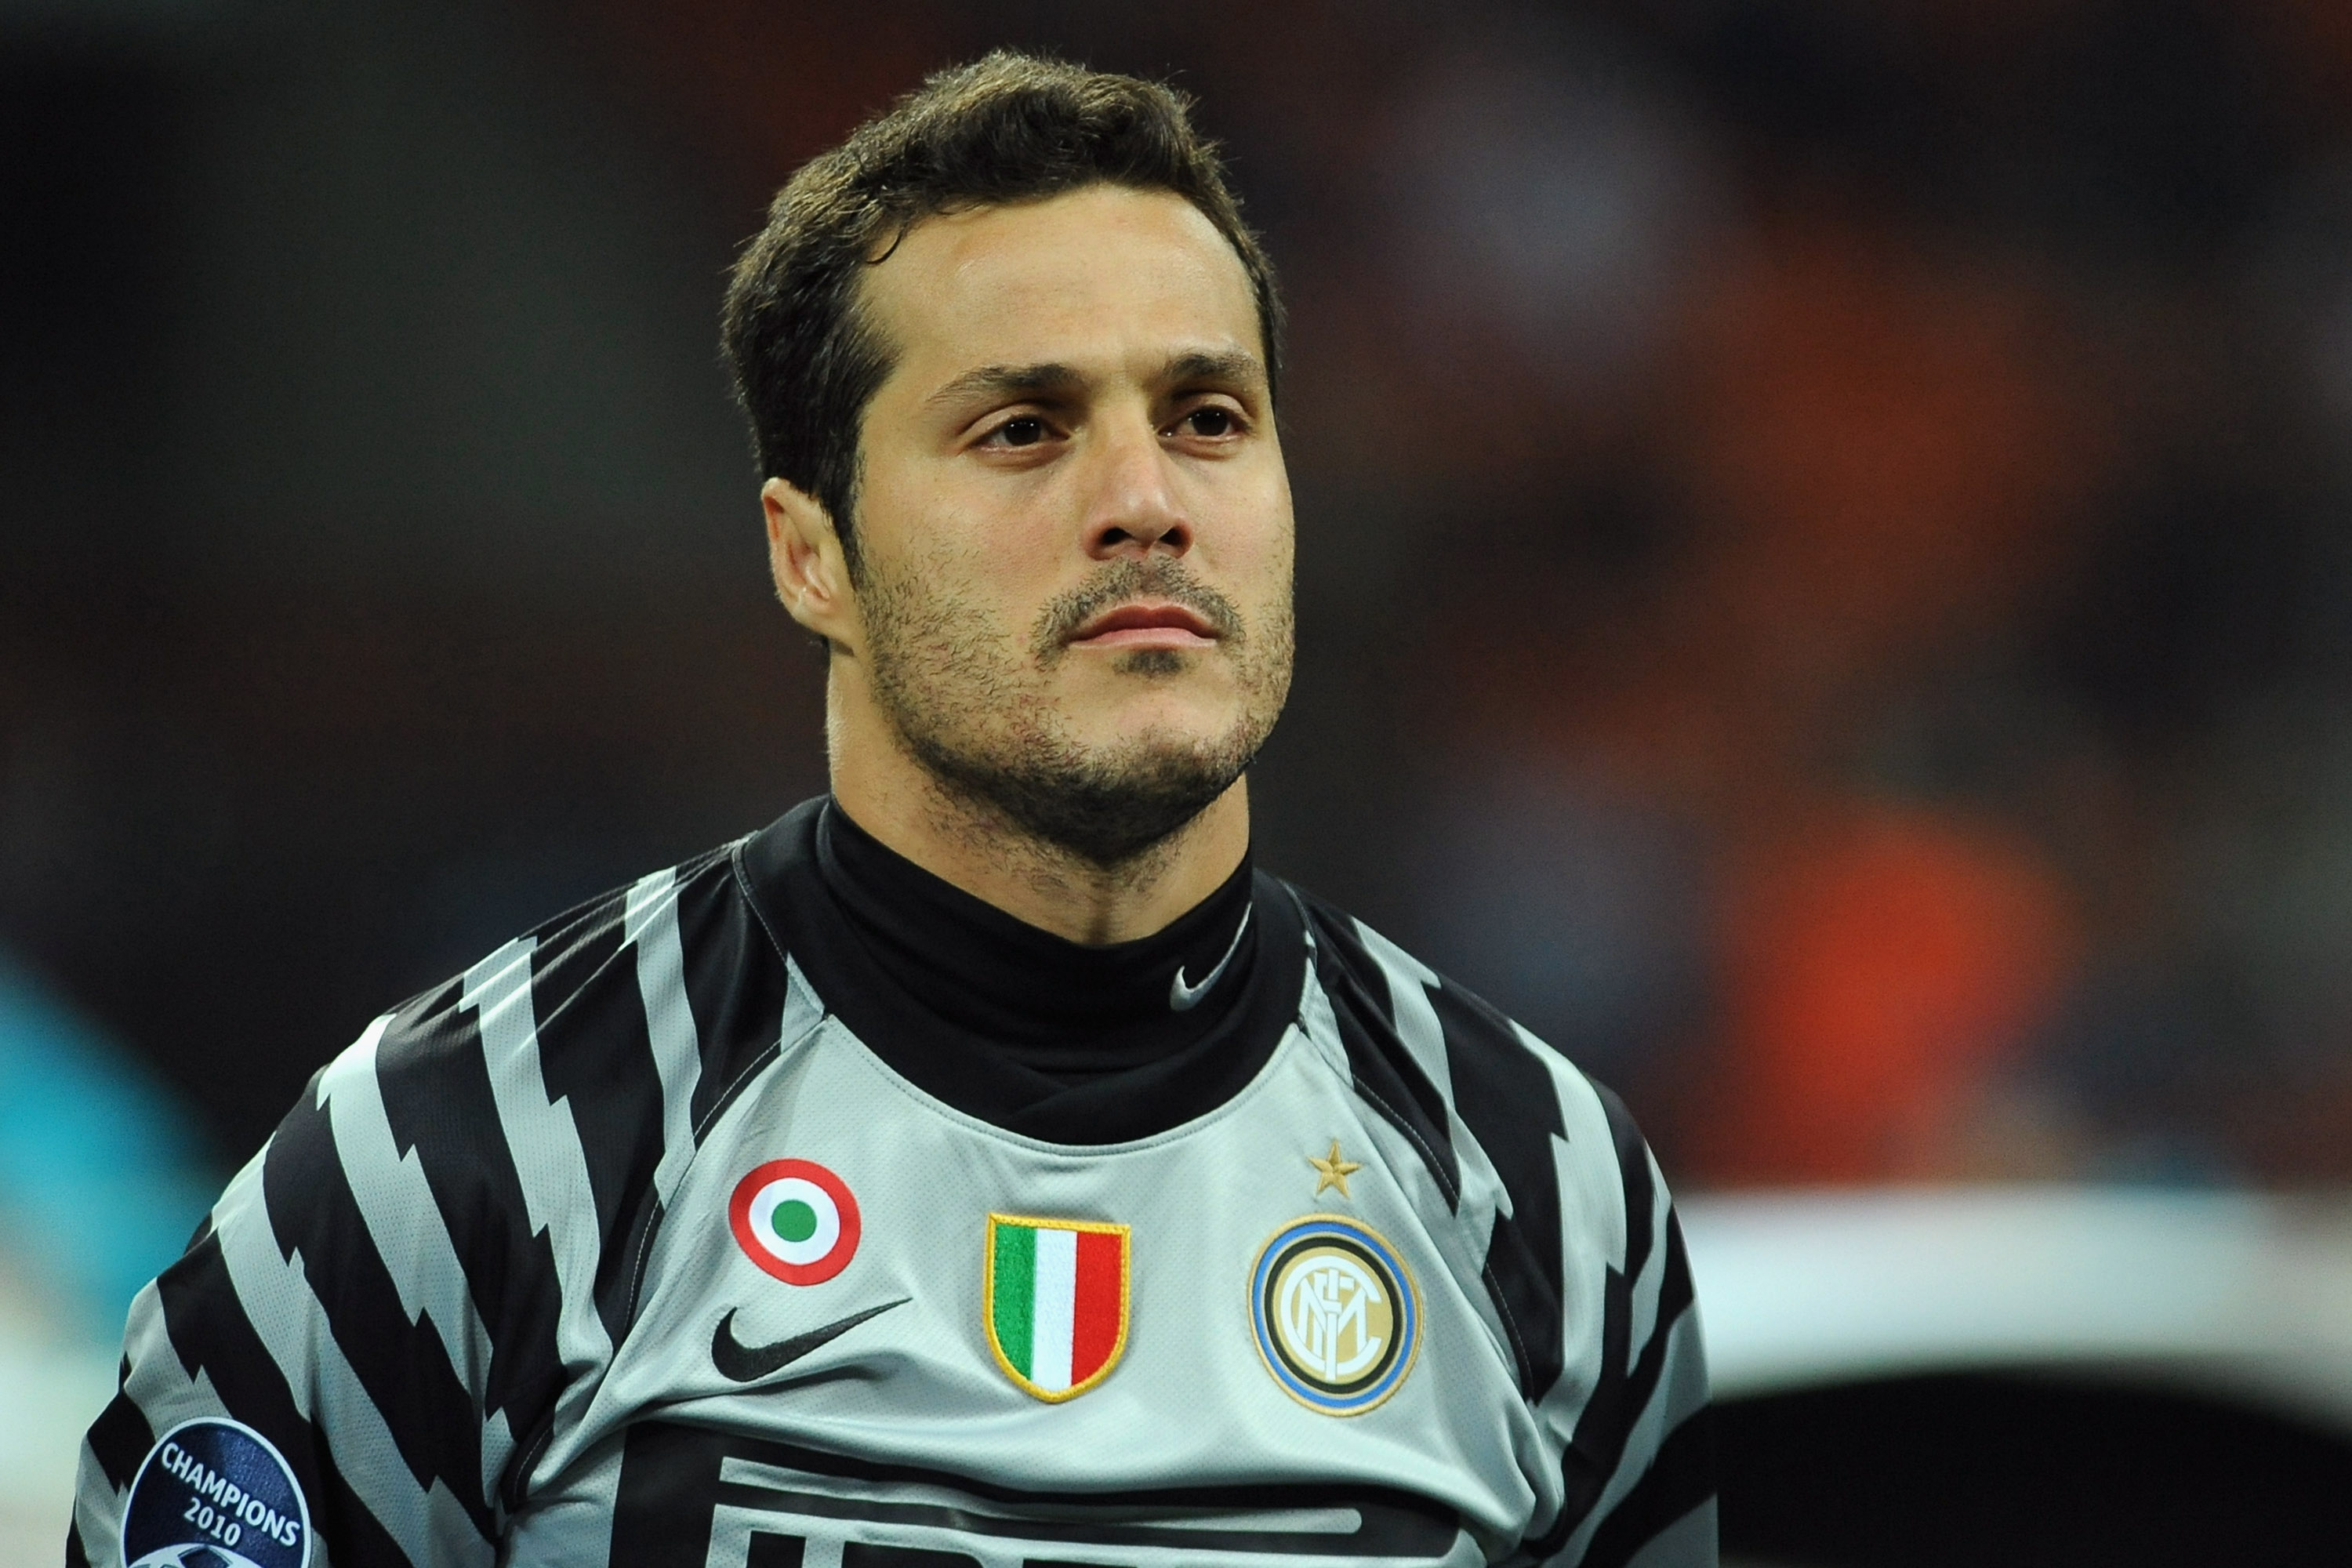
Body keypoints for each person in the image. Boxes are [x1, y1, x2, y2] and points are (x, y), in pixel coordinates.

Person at [69, 52, 1713, 1568]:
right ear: (812, 553)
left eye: (1208, 417)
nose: (1145, 501)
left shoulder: (1547, 1187)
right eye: (1023, 428)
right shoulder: (455, 1154)